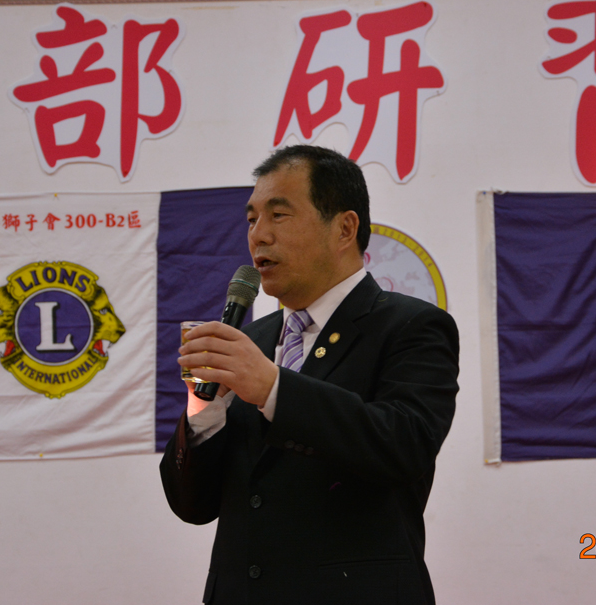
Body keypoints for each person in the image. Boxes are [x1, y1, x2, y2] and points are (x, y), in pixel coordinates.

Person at [161, 144, 459, 605]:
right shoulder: (252, 340)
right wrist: (205, 412)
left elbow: (405, 445)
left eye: (278, 215)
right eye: (251, 219)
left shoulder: (412, 326)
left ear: (344, 228)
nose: (258, 235)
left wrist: (272, 388)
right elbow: (193, 506)